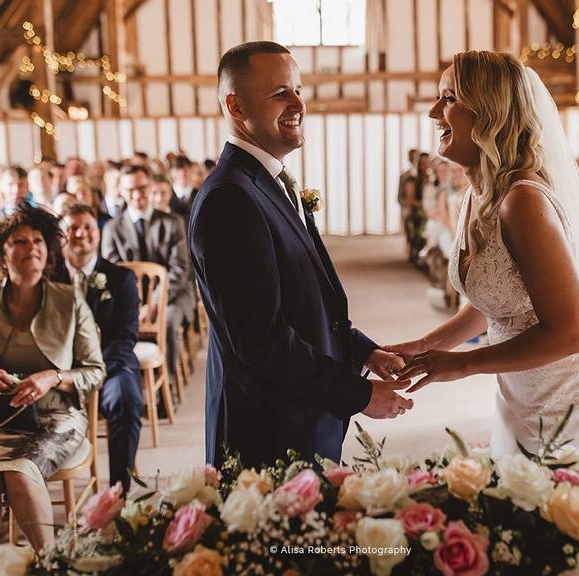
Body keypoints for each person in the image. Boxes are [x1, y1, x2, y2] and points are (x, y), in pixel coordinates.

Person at [389, 51, 579, 475]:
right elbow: (494, 302)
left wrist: (463, 364)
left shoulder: (522, 202)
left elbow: (572, 333)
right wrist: (425, 346)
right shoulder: (478, 194)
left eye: (448, 98)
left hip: (567, 402)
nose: (434, 112)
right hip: (520, 394)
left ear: (488, 112)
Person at [188, 41, 412, 468]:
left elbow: (307, 301)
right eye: (280, 93)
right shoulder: (229, 199)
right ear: (235, 106)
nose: (299, 103)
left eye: (298, 89)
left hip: (300, 417)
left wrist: (363, 351)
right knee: (288, 540)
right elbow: (262, 340)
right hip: (268, 434)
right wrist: (359, 395)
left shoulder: (266, 182)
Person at [0, 206, 105, 576]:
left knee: (21, 473)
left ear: (49, 250)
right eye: (19, 241)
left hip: (57, 416)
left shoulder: (69, 301)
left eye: (37, 241)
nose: (30, 248)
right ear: (2, 253)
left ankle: (52, 568)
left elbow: (95, 371)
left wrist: (54, 377)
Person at [56, 204, 143, 490]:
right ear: (61, 235)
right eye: (72, 227)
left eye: (88, 227)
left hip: (110, 366)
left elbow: (125, 337)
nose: (80, 234)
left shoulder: (120, 279)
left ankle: (118, 493)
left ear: (98, 233)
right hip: (58, 371)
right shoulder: (47, 278)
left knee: (125, 399)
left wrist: (93, 373)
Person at [102, 164, 195, 398]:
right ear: (121, 192)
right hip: (129, 300)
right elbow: (113, 274)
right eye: (130, 190)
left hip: (172, 295)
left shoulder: (172, 222)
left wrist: (154, 302)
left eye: (142, 188)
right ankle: (125, 388)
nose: (137, 195)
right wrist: (135, 305)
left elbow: (179, 269)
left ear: (151, 187)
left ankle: (166, 391)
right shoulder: (112, 229)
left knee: (169, 320)